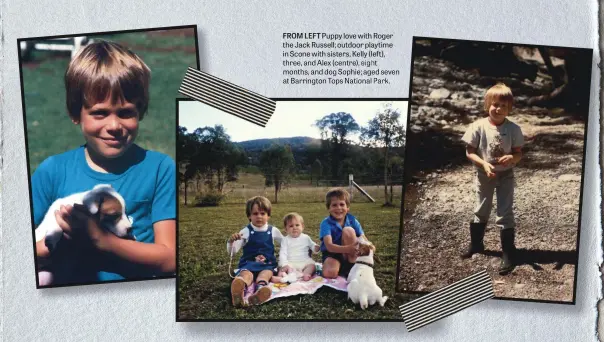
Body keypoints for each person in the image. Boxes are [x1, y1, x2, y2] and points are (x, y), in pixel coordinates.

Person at [32, 40, 176, 286]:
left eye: (126, 112)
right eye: (100, 113)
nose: (114, 126)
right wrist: (60, 242)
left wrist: (101, 240)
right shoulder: (52, 171)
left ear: (140, 111)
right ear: (76, 113)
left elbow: (171, 258)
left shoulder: (160, 169)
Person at [460, 83, 524, 274]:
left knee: (505, 212)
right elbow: (469, 152)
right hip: (484, 174)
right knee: (481, 209)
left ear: (509, 108)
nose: (498, 109)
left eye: (503, 106)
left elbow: (519, 153)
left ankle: (508, 252)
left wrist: (513, 158)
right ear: (487, 104)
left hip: (506, 174)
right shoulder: (478, 126)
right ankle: (476, 245)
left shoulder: (513, 129)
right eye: (495, 104)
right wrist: (484, 164)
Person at [227, 196, 283, 307]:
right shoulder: (245, 231)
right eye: (255, 213)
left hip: (267, 264)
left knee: (265, 275)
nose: (259, 217)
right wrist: (231, 242)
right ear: (249, 216)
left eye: (262, 213)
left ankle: (260, 291)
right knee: (246, 275)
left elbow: (286, 244)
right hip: (249, 264)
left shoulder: (274, 231)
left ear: (268, 215)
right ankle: (239, 287)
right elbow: (232, 252)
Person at [319, 188, 364, 278]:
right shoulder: (326, 223)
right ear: (329, 208)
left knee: (348, 230)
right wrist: (348, 249)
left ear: (347, 208)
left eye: (342, 204)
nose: (338, 208)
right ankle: (341, 268)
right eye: (334, 205)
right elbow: (329, 246)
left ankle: (352, 265)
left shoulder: (352, 220)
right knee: (329, 273)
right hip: (332, 253)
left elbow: (363, 238)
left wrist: (368, 248)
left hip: (351, 255)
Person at [274, 212, 320, 282]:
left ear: (302, 226)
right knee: (281, 269)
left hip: (304, 261)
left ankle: (306, 274)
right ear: (286, 229)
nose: (294, 228)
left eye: (297, 225)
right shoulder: (285, 240)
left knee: (312, 266)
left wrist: (315, 248)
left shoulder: (306, 237)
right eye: (291, 226)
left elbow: (312, 245)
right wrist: (284, 264)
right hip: (291, 263)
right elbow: (283, 253)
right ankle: (282, 276)